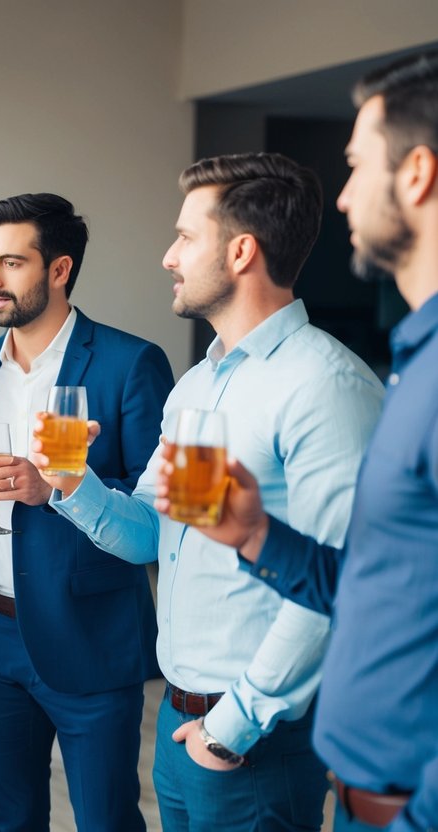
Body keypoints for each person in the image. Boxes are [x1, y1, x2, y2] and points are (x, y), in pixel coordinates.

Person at [36, 152, 384, 831]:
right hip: (177, 723)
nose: (168, 257)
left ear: (242, 251)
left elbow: (335, 585)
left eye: (185, 237)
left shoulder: (325, 386)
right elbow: (151, 533)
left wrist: (232, 727)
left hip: (253, 740)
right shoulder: (199, 383)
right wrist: (73, 488)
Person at [166, 51, 438, 832]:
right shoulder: (410, 368)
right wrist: (255, 534)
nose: (344, 195)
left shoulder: (339, 382)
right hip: (357, 799)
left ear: (416, 174)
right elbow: (374, 590)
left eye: (356, 165)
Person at [0, 193, 172, 831]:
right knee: (10, 822)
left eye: (12, 263)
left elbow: (156, 517)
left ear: (59, 269)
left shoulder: (132, 363)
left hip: (93, 638)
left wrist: (52, 488)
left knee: (106, 822)